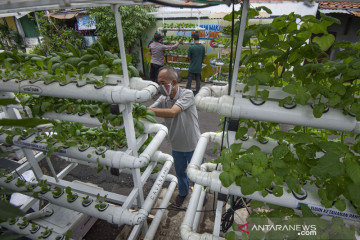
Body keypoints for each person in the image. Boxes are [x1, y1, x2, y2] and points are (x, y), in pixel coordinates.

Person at [148, 66, 201, 206]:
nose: (161, 86)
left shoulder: (187, 94)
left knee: (197, 175)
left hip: (193, 144)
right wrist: (138, 108)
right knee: (180, 172)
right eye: (159, 83)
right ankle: (183, 193)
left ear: (174, 82)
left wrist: (148, 111)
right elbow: (150, 109)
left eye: (163, 82)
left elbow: (172, 112)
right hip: (176, 145)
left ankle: (200, 195)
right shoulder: (163, 97)